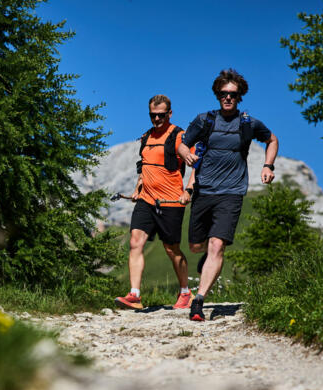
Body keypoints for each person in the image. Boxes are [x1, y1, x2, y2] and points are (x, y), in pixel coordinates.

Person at [177, 69, 279, 321]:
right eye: (223, 94)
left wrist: (268, 165)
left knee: (217, 244)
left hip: (231, 192)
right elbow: (180, 143)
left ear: (239, 96)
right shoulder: (204, 120)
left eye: (232, 95)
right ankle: (206, 263)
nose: (228, 98)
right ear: (217, 94)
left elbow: (272, 140)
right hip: (203, 191)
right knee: (196, 245)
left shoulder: (248, 123)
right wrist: (185, 154)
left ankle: (198, 301)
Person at [115, 94, 194, 310]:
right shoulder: (146, 137)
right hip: (146, 200)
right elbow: (144, 168)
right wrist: (137, 190)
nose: (157, 119)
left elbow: (196, 164)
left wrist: (189, 190)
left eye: (161, 115)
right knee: (135, 242)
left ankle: (186, 292)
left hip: (170, 201)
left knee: (171, 249)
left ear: (169, 114)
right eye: (153, 115)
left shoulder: (179, 136)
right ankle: (135, 295)